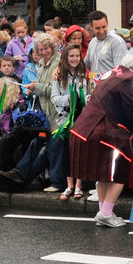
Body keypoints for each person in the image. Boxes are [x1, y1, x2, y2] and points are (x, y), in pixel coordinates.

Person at [69, 49, 133, 227]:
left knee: (103, 175)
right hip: (107, 132)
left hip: (85, 128)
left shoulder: (111, 73)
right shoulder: (131, 79)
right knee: (120, 171)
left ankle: (104, 211)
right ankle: (105, 213)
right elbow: (131, 109)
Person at [0, 34, 64, 193]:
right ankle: (18, 176)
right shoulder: (45, 64)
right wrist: (35, 86)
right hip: (46, 111)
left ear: (52, 48)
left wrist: (35, 86)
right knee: (41, 145)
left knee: (54, 147)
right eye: (40, 49)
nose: (43, 52)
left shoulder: (57, 64)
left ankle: (57, 182)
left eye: (46, 48)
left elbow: (54, 89)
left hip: (57, 112)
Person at [51, 44, 90, 201]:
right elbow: (54, 98)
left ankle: (79, 185)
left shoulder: (83, 74)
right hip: (65, 118)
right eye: (71, 56)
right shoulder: (58, 76)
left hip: (81, 117)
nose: (74, 59)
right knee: (67, 151)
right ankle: (69, 185)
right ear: (65, 58)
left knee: (78, 151)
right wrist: (67, 99)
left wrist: (87, 98)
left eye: (77, 56)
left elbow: (86, 95)